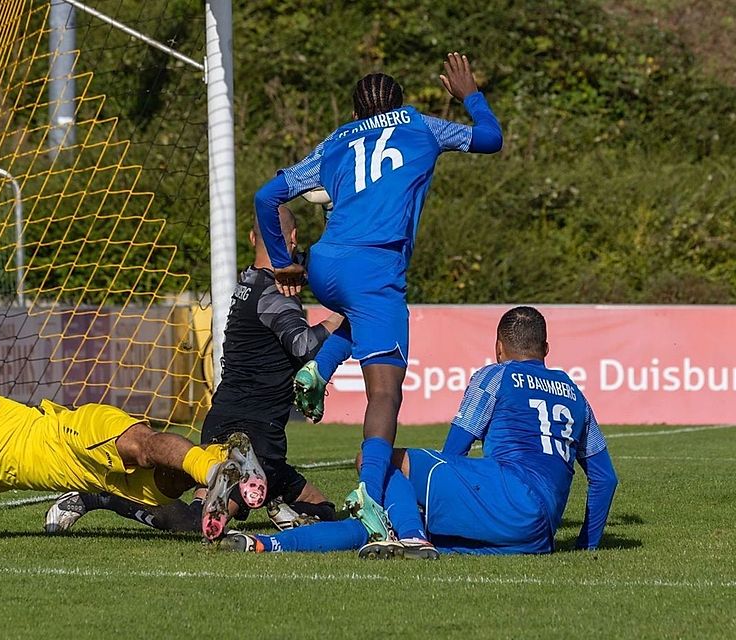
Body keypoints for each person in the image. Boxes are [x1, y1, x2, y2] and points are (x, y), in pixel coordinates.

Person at [253, 53, 503, 508]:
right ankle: (369, 492)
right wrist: (471, 97)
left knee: (364, 320)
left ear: (354, 114)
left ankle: (318, 368)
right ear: (399, 106)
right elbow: (491, 139)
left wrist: (283, 259)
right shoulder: (422, 125)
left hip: (327, 265)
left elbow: (267, 195)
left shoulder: (336, 141)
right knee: (385, 394)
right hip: (375, 266)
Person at [219, 306, 619, 558]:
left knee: (378, 461)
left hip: (504, 496)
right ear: (545, 350)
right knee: (376, 526)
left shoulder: (495, 377)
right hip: (538, 535)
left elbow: (454, 453)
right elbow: (605, 478)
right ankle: (266, 545)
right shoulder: (575, 393)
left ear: (498, 346)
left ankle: (414, 537)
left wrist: (425, 496)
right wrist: (585, 546)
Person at [45, 206, 344, 536]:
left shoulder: (250, 281)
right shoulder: (275, 293)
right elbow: (305, 348)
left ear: (251, 238)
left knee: (323, 512)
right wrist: (345, 317)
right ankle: (99, 496)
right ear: (293, 237)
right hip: (252, 434)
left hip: (239, 425)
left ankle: (272, 501)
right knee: (195, 523)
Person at [0, 391, 267, 542]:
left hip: (75, 433)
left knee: (143, 445)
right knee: (171, 491)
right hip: (92, 476)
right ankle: (228, 454)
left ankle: (215, 471)